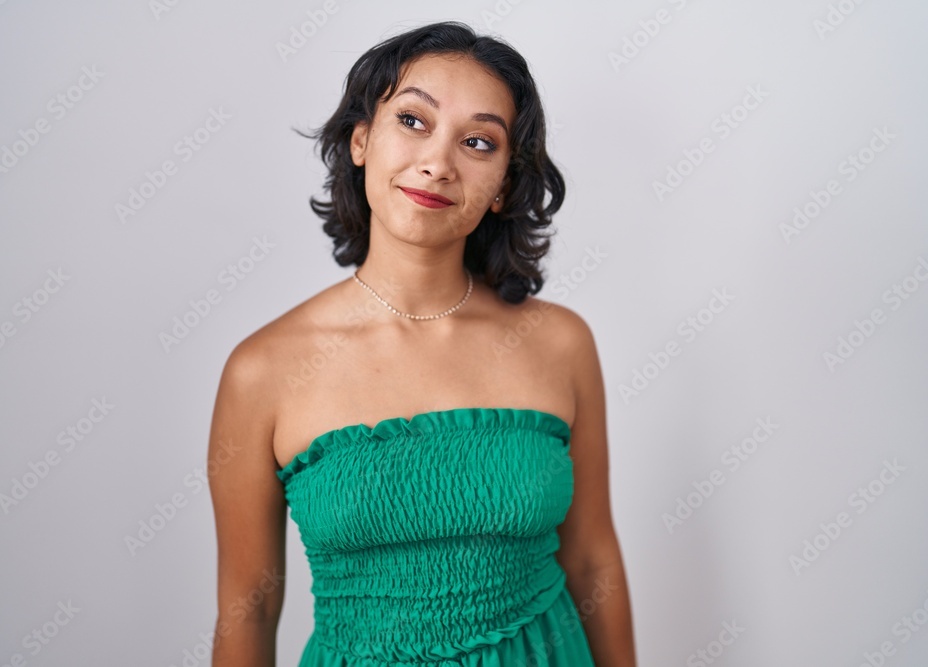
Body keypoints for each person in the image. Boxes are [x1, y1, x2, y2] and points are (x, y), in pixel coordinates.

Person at [207, 20, 637, 666]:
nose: (439, 162)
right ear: (360, 140)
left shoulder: (560, 343)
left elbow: (591, 555)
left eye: (478, 141)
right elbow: (250, 605)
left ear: (503, 188)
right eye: (413, 121)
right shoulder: (262, 370)